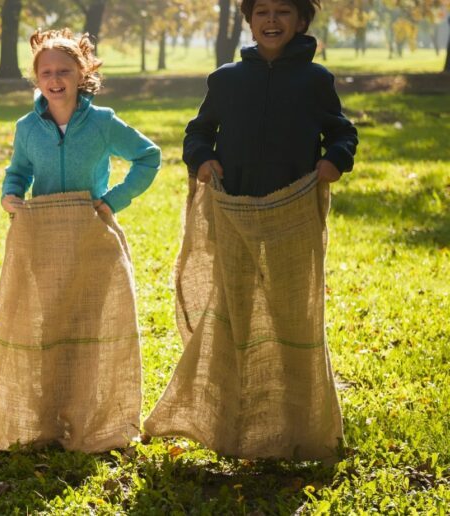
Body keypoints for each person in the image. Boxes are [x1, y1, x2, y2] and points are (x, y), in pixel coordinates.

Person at [143, 0, 358, 460]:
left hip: (291, 216)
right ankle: (228, 417)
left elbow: (341, 132)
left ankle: (296, 420)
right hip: (234, 212)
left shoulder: (315, 80)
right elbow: (197, 132)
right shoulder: (226, 80)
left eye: (284, 11)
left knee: (290, 312)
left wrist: (334, 161)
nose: (272, 20)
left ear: (301, 21)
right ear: (249, 21)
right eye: (262, 11)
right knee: (233, 309)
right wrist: (202, 159)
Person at [0, 29, 161, 452]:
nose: (55, 78)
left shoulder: (102, 122)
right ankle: (46, 417)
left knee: (88, 325)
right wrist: (10, 195)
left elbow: (148, 156)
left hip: (90, 238)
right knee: (47, 327)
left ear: (81, 73)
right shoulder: (27, 127)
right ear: (36, 78)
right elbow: (19, 172)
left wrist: (114, 200)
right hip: (44, 240)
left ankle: (90, 416)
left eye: (64, 70)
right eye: (46, 71)